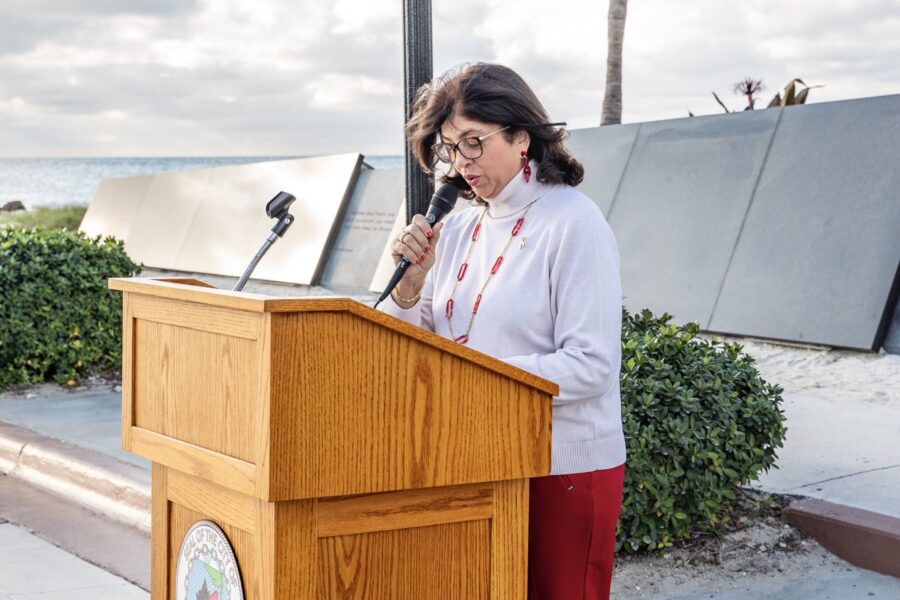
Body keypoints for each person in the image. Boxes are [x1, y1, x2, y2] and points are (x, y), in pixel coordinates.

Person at [379, 62, 626, 599]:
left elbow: (592, 365)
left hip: (562, 468)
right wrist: (408, 289)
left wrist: (470, 380)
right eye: (449, 147)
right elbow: (413, 344)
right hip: (477, 458)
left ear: (521, 136)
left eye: (473, 142)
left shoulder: (574, 223)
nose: (460, 162)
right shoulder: (460, 223)